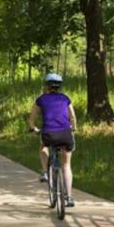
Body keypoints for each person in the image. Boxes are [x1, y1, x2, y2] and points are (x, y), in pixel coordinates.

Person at [28, 72, 77, 208]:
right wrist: (73, 129)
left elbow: (32, 119)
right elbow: (72, 117)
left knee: (43, 146)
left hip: (49, 134)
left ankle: (45, 172)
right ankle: (69, 197)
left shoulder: (41, 99)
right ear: (59, 86)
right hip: (65, 134)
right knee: (66, 164)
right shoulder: (66, 99)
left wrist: (33, 128)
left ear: (47, 86)